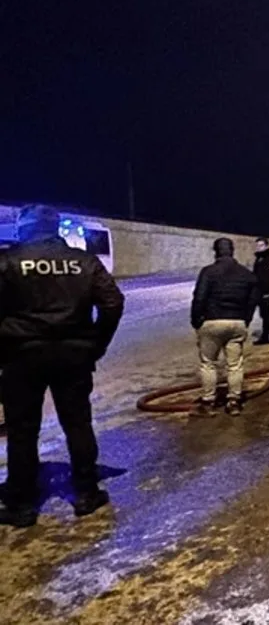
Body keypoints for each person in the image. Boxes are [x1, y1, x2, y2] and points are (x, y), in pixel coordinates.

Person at [0, 205, 125, 527]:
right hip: (74, 355)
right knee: (77, 423)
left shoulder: (8, 261)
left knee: (22, 430)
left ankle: (22, 503)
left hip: (21, 355)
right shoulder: (84, 261)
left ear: (23, 229)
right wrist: (97, 344)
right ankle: (86, 493)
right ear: (55, 228)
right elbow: (113, 302)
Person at [190, 238, 259, 417]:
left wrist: (196, 321)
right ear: (232, 251)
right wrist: (246, 320)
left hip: (212, 322)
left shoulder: (208, 272)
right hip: (237, 322)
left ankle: (208, 402)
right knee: (235, 365)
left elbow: (199, 298)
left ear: (216, 252)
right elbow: (252, 301)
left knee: (208, 364)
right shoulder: (246, 275)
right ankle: (234, 402)